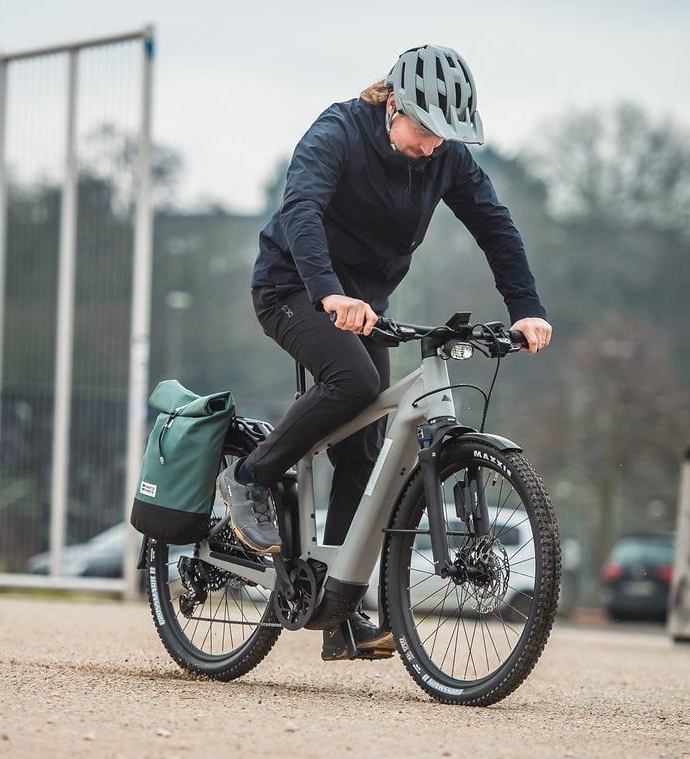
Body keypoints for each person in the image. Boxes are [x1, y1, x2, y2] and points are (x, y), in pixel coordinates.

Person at [217, 44, 552, 661]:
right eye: (424, 131)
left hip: (366, 307)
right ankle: (250, 476)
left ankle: (337, 610)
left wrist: (525, 306)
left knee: (366, 444)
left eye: (446, 137)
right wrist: (328, 294)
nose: (433, 147)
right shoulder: (338, 131)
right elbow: (301, 212)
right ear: (393, 104)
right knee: (353, 383)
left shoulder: (444, 158)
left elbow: (495, 226)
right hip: (294, 287)